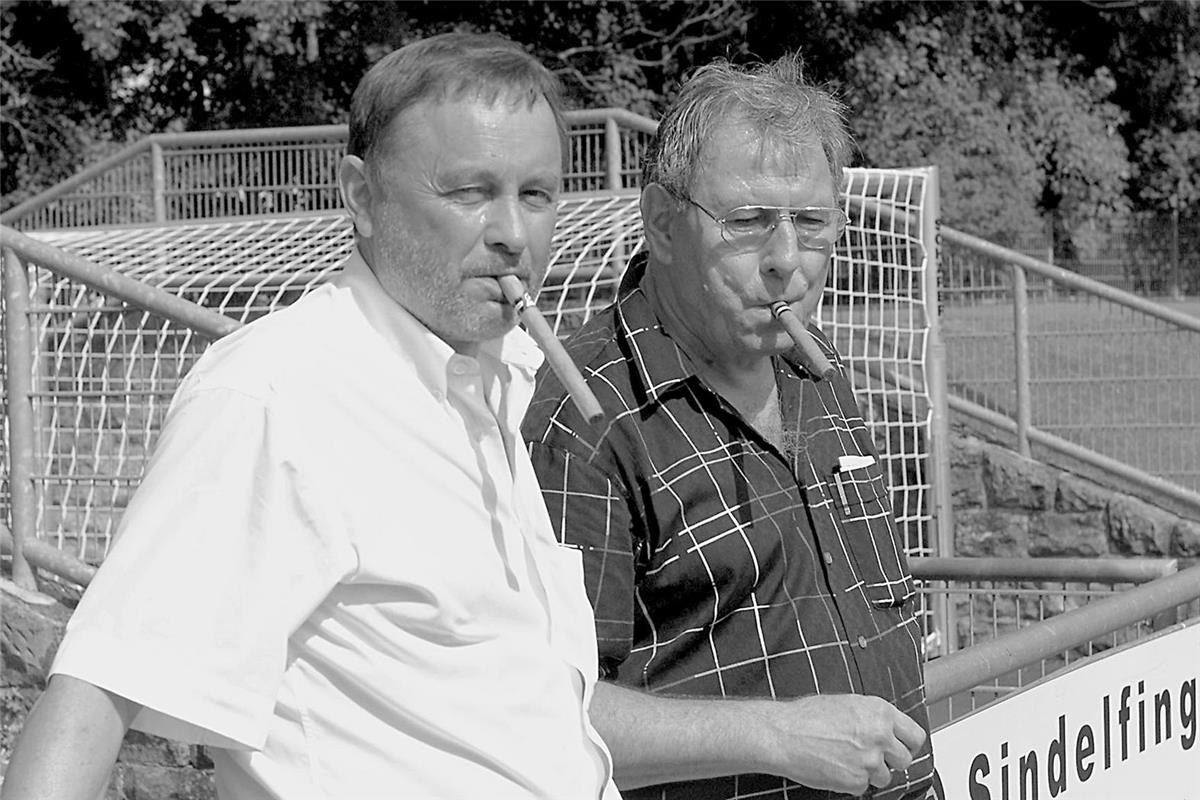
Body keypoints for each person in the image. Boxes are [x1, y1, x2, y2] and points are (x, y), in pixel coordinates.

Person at [3, 33, 619, 800]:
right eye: (468, 192)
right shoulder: (277, 394)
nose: (514, 234)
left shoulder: (495, 384)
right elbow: (97, 693)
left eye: (536, 195)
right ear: (360, 196)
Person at [522, 53, 934, 800]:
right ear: (661, 222)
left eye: (811, 223)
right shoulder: (586, 422)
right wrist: (777, 737)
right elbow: (545, 717)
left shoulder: (822, 374)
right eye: (747, 223)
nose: (786, 263)